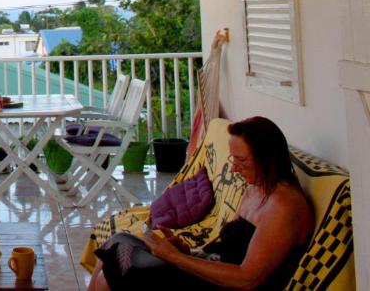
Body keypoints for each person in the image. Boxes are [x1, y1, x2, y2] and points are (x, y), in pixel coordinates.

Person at [88, 116, 313, 291]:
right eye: (234, 160)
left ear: (268, 159)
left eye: (242, 161)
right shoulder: (256, 188)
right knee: (118, 242)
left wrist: (177, 258)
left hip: (226, 285)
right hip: (210, 269)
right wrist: (187, 250)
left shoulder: (284, 207)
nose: (235, 168)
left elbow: (248, 279)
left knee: (116, 274)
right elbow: (228, 249)